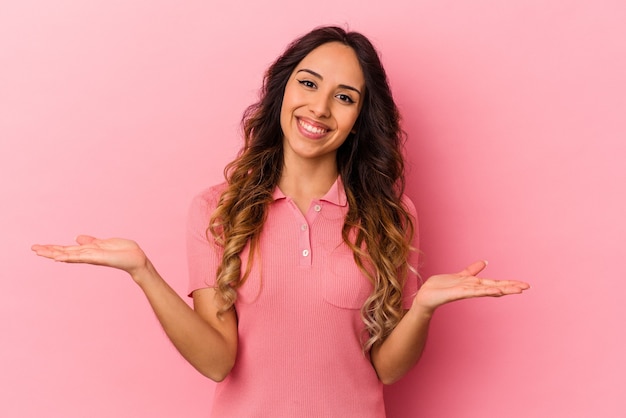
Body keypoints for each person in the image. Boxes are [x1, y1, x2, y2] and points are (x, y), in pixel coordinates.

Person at [31, 26, 530, 417]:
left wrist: (423, 307)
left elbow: (387, 368)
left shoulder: (392, 217)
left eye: (344, 96)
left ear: (361, 115)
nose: (319, 106)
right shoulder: (216, 211)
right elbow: (216, 361)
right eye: (308, 83)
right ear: (282, 90)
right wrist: (143, 271)